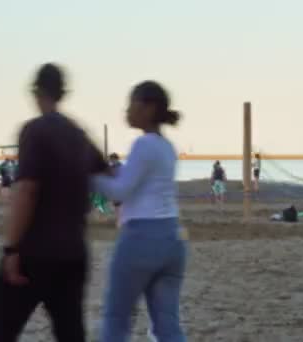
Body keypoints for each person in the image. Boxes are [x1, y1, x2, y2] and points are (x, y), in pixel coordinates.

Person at [0, 63, 108, 342]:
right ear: (62, 92)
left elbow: (27, 190)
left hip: (36, 252)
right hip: (74, 253)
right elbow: (107, 174)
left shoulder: (35, 130)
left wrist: (11, 249)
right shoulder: (79, 135)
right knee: (70, 333)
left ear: (37, 92)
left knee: (2, 329)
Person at [92, 81, 187, 341]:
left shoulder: (143, 145)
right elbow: (134, 178)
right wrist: (108, 172)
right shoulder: (167, 148)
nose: (127, 110)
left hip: (141, 239)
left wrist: (89, 177)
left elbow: (120, 191)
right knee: (168, 326)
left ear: (149, 107)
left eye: (132, 103)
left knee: (116, 318)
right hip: (172, 239)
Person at [108, 153, 123, 223]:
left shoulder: (121, 167)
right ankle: (119, 220)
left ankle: (119, 220)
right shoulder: (111, 168)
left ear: (116, 159)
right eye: (111, 160)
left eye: (112, 159)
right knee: (117, 205)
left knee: (119, 205)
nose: (111, 161)